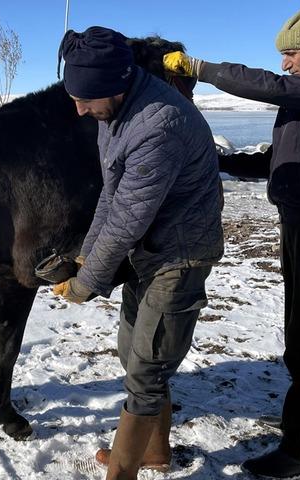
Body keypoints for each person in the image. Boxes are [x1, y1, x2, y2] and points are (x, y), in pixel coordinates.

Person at [163, 7, 300, 478]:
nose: (285, 63)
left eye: (292, 53)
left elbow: (275, 87)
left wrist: (201, 68)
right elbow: (278, 160)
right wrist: (220, 161)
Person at [53, 26, 223, 480]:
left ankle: (122, 472)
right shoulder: (116, 113)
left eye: (86, 99)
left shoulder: (159, 123)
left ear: (117, 83)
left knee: (147, 368)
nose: (80, 109)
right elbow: (111, 195)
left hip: (180, 255)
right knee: (132, 353)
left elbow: (128, 217)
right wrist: (86, 257)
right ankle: (154, 451)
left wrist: (87, 283)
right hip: (150, 251)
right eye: (75, 97)